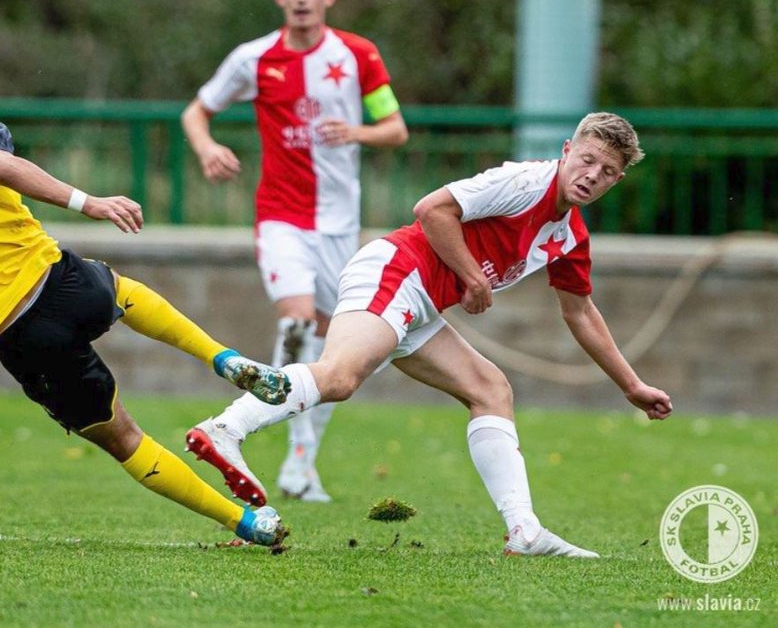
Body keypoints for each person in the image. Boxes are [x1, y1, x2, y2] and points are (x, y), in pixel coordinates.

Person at [186, 112, 674, 557]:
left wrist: (631, 385)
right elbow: (433, 209)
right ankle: (226, 427)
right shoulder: (526, 182)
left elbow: (581, 312)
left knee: (490, 390)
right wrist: (474, 278)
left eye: (607, 172)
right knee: (338, 378)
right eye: (587, 160)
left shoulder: (569, 235)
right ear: (568, 150)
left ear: (618, 179)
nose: (592, 176)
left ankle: (524, 530)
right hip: (397, 271)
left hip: (421, 305)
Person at [0, 56, 291, 547]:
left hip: (18, 337)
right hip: (57, 282)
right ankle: (223, 357)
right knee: (120, 292)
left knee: (126, 440)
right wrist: (87, 203)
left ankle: (245, 522)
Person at [181, 0, 408, 503]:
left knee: (351, 352)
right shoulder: (254, 58)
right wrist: (207, 147)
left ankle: (300, 459)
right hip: (281, 218)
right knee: (297, 325)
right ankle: (265, 442)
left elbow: (396, 129)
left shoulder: (357, 55)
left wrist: (356, 131)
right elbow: (196, 111)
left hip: (340, 227)